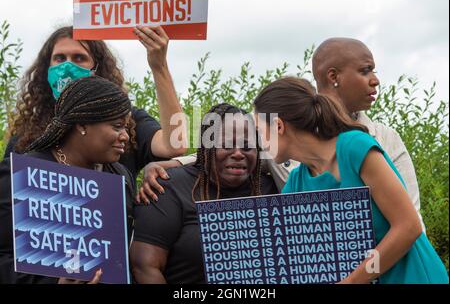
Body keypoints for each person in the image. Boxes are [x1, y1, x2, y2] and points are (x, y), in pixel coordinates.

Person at [137, 38, 426, 232]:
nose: (375, 80)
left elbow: (412, 221)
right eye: (366, 71)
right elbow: (225, 147)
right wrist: (167, 165)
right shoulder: (280, 129)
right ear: (333, 76)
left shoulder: (378, 141)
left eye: (373, 71)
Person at [253, 76, 448, 284]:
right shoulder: (296, 183)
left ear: (279, 126)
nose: (258, 142)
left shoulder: (355, 148)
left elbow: (408, 227)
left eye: (259, 131)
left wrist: (353, 281)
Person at [3, 25, 186, 181]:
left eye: (79, 58)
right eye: (59, 58)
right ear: (47, 68)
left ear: (97, 68)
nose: (67, 67)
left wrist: (159, 65)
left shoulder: (128, 122)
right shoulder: (26, 134)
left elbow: (175, 144)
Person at [0, 76, 135, 284]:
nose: (125, 136)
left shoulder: (120, 177)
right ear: (82, 125)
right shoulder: (20, 175)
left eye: (125, 127)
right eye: (117, 126)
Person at [130, 104, 278, 284]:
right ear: (207, 148)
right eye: (226, 145)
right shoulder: (169, 187)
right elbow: (144, 267)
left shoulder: (272, 190)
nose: (238, 153)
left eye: (247, 147)